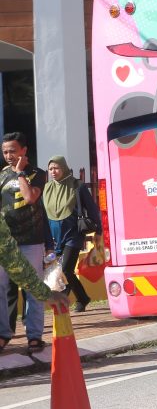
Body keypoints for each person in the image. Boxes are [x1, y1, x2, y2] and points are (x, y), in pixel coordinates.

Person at [0, 132, 50, 354]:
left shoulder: (37, 173)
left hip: (31, 241)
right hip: (6, 244)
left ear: (23, 150)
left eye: (12, 151)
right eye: (5, 152)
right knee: (0, 288)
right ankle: (3, 334)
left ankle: (34, 337)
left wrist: (20, 173)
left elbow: (30, 198)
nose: (8, 155)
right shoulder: (1, 175)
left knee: (33, 289)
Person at [43, 156, 101, 313]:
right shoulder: (47, 188)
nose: (53, 172)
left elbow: (92, 208)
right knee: (65, 270)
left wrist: (99, 230)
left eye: (56, 168)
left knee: (66, 269)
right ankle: (83, 298)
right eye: (51, 169)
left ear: (64, 168)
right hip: (54, 237)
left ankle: (61, 302)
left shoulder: (77, 186)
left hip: (73, 235)